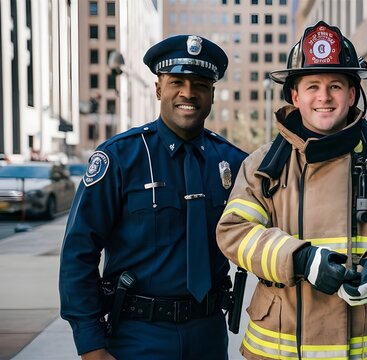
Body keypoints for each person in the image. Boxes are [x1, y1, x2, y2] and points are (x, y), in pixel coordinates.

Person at [216, 21, 367, 360]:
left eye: (335, 86)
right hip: (280, 348)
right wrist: (299, 259)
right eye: (313, 85)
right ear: (294, 95)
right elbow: (233, 232)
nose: (324, 96)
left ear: (351, 94)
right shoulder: (261, 165)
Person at [59, 34, 247, 360]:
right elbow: (79, 252)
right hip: (137, 336)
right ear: (159, 88)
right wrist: (90, 342)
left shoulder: (233, 163)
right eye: (177, 82)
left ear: (212, 94)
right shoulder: (120, 157)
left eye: (200, 84)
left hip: (209, 335)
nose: (188, 93)